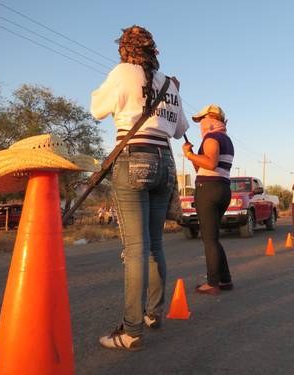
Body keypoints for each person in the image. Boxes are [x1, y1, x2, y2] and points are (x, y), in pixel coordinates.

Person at [91, 25, 189, 351]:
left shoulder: (123, 72)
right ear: (153, 50)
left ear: (124, 48)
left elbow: (97, 109)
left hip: (134, 156)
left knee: (135, 248)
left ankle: (131, 330)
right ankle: (152, 313)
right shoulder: (169, 84)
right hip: (164, 162)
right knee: (154, 244)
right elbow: (179, 131)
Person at [182, 104, 234, 295]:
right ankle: (225, 279)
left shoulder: (212, 138)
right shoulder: (226, 139)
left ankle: (212, 283)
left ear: (210, 120)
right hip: (223, 188)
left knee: (209, 239)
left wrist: (188, 154)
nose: (201, 125)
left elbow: (210, 163)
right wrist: (194, 157)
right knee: (213, 238)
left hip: (208, 189)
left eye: (202, 120)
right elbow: (205, 166)